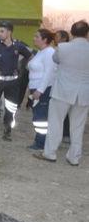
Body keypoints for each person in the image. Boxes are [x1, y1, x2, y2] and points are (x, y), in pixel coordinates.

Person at [35, 21, 89, 166]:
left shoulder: (63, 48)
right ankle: (74, 157)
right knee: (78, 126)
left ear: (71, 32)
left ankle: (50, 152)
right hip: (83, 93)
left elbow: (56, 59)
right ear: (87, 33)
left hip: (63, 91)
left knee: (55, 123)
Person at [0, 22, 33, 141]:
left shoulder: (18, 46)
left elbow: (30, 56)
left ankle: (7, 130)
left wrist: (22, 67)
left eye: (2, 31)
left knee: (11, 108)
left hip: (12, 83)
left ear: (9, 32)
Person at [26, 29, 56, 150]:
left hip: (42, 90)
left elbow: (49, 73)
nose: (34, 38)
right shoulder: (40, 52)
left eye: (37, 36)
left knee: (41, 118)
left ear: (45, 40)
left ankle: (41, 143)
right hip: (35, 88)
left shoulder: (49, 52)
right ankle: (40, 140)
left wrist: (40, 90)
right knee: (38, 116)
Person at [54, 30, 71, 141]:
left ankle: (64, 134)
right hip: (64, 84)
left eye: (57, 36)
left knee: (62, 112)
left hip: (63, 84)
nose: (55, 38)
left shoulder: (62, 49)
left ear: (64, 38)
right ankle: (65, 134)